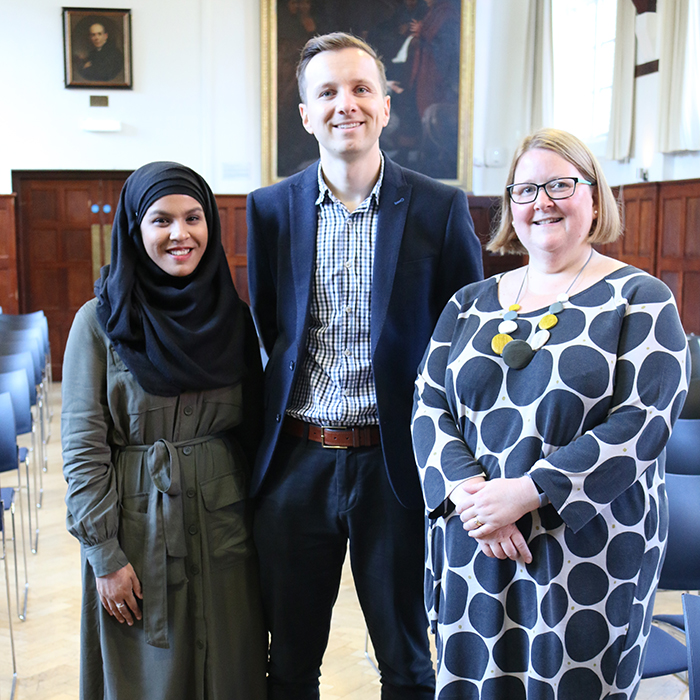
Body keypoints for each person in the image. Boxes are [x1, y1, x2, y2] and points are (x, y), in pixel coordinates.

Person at [247, 32, 483, 700]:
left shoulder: (439, 208)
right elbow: (273, 328)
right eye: (326, 92)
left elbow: (461, 339)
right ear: (304, 113)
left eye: (359, 89)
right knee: (288, 663)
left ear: (385, 106)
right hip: (297, 461)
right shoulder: (270, 210)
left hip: (397, 463)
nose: (344, 104)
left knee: (407, 661)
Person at [412, 128, 688, 699]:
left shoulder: (640, 298)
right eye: (525, 189)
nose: (542, 202)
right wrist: (471, 494)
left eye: (560, 184)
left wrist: (528, 492)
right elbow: (428, 402)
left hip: (587, 544)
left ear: (594, 196)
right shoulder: (470, 302)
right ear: (510, 207)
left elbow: (643, 421)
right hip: (476, 541)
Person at [61, 162, 267, 700]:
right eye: (161, 220)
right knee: (145, 680)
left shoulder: (234, 318)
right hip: (136, 532)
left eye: (194, 217)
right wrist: (105, 556)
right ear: (134, 229)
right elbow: (83, 450)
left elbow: (254, 432)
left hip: (226, 529)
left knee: (230, 673)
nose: (181, 234)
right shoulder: (98, 322)